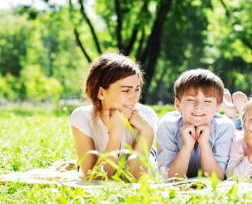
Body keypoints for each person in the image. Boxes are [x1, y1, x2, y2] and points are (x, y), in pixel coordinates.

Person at [69, 53, 157, 181]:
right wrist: (115, 134)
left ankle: (76, 164)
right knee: (83, 168)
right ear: (101, 93)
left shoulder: (146, 116)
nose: (134, 97)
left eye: (137, 89)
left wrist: (147, 132)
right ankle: (76, 164)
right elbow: (93, 179)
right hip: (99, 159)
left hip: (149, 155)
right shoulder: (82, 117)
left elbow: (134, 178)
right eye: (126, 90)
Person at [157, 69, 235, 179]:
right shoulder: (168, 125)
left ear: (218, 106)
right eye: (191, 100)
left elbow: (216, 179)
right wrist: (187, 146)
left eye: (207, 101)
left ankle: (233, 115)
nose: (199, 106)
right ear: (178, 104)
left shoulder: (224, 127)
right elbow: (169, 179)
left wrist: (204, 144)